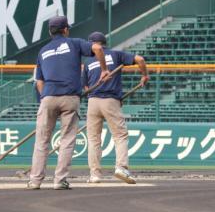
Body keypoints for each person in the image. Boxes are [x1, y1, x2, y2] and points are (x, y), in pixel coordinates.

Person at [29, 16, 110, 190]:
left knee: (41, 141)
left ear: (50, 31)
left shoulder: (42, 50)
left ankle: (35, 180)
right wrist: (104, 70)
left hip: (48, 97)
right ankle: (59, 180)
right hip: (70, 97)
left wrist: (45, 97)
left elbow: (39, 82)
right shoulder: (74, 43)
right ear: (65, 30)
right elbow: (97, 48)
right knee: (66, 140)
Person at [82, 32, 149, 184]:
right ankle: (121, 167)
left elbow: (85, 86)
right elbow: (140, 59)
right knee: (120, 135)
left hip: (92, 101)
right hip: (110, 100)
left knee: (93, 139)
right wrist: (144, 75)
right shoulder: (115, 54)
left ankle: (95, 175)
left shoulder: (87, 62)